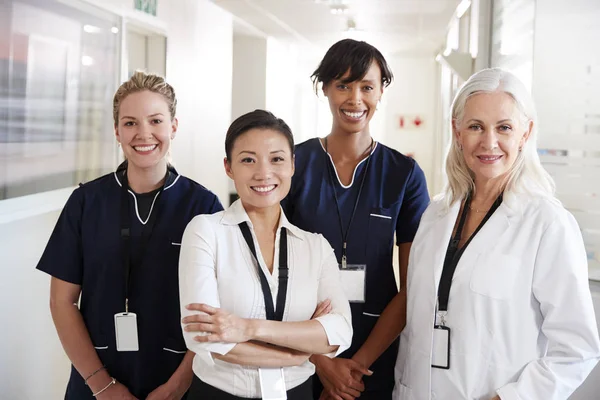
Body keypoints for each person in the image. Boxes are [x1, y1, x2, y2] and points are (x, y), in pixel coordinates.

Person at [394, 68, 600, 399]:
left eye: (504, 127)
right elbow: (414, 329)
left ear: (525, 133)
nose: (489, 142)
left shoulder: (548, 224)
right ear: (457, 132)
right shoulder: (436, 215)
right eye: (476, 126)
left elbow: (577, 348)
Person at [36, 71, 223, 399]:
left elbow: (218, 308)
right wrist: (102, 386)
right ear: (117, 131)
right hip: (95, 382)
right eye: (130, 123)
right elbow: (61, 301)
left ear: (173, 127)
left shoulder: (203, 205)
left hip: (180, 383)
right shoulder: (86, 203)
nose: (144, 133)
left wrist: (179, 385)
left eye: (155, 121)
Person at [281, 39, 430, 400]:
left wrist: (353, 371)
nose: (355, 99)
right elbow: (274, 275)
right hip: (299, 348)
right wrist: (322, 363)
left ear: (381, 92)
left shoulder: (404, 174)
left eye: (367, 86)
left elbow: (414, 287)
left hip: (376, 349)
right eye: (343, 85)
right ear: (325, 89)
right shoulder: (294, 164)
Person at [178, 109, 355, 400]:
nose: (263, 173)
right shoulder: (206, 232)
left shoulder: (314, 246)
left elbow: (339, 332)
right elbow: (202, 339)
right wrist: (301, 350)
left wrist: (246, 328)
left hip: (296, 394)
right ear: (228, 167)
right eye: (248, 159)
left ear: (292, 165)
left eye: (276, 159)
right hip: (218, 394)